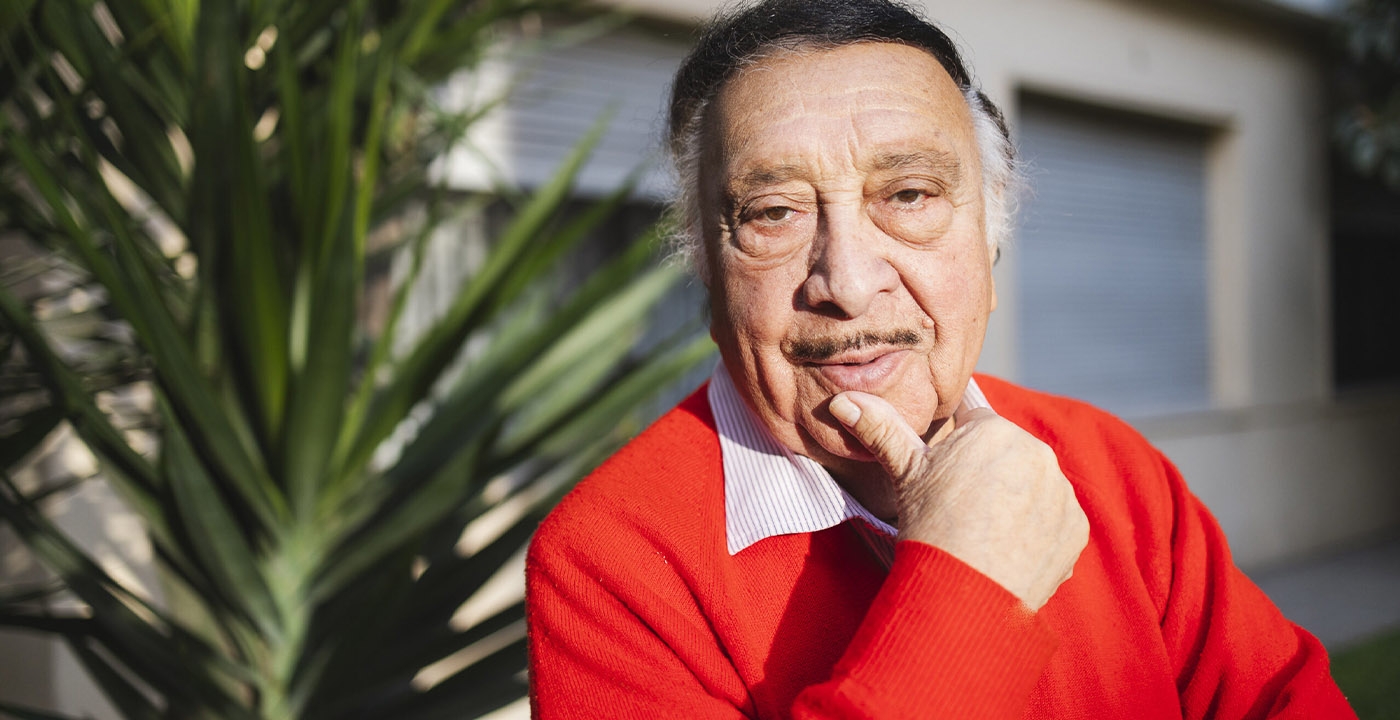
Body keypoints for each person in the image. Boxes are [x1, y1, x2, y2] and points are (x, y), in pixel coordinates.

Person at [524, 0, 1356, 717]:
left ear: (990, 245)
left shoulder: (1114, 469)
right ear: (707, 269)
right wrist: (968, 590)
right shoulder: (610, 563)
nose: (848, 283)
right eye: (773, 212)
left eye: (910, 195)